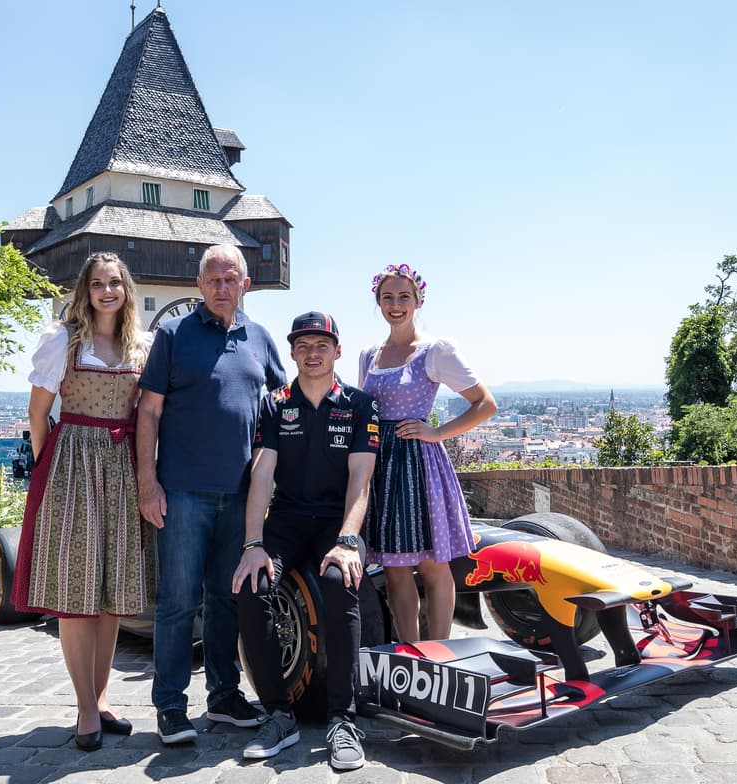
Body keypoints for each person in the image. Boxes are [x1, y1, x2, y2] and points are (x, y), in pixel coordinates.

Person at [136, 243, 287, 744]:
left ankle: (224, 696)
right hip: (181, 493)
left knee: (226, 600)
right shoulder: (174, 334)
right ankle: (170, 706)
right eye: (214, 280)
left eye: (232, 279)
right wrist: (147, 481)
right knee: (178, 603)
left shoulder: (260, 338)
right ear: (200, 286)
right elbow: (149, 413)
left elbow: (283, 408)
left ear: (245, 285)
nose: (223, 288)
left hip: (241, 499)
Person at [10, 252, 152, 752]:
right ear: (86, 291)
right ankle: (85, 707)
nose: (107, 291)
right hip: (72, 467)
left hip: (122, 468)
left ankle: (103, 694)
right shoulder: (63, 342)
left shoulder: (141, 345)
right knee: (77, 591)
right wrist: (51, 469)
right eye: (98, 284)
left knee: (112, 589)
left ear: (126, 290)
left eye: (115, 283)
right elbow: (37, 413)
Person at [232, 312, 378, 770]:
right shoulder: (274, 404)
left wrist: (349, 540)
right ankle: (279, 713)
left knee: (338, 583)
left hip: (338, 521)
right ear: (292, 352)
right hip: (288, 520)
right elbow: (262, 475)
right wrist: (252, 544)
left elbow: (362, 479)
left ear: (337, 351)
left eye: (322, 345)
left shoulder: (359, 405)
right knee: (252, 587)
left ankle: (343, 719)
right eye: (303, 345)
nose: (312, 353)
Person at [359, 263, 498, 642]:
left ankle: (440, 655)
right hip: (383, 466)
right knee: (394, 569)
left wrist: (436, 432)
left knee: (434, 565)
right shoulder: (368, 355)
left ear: (418, 300)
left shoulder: (434, 351)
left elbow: (485, 404)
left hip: (419, 464)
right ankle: (411, 654)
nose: (396, 304)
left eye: (404, 296)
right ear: (379, 303)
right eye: (388, 297)